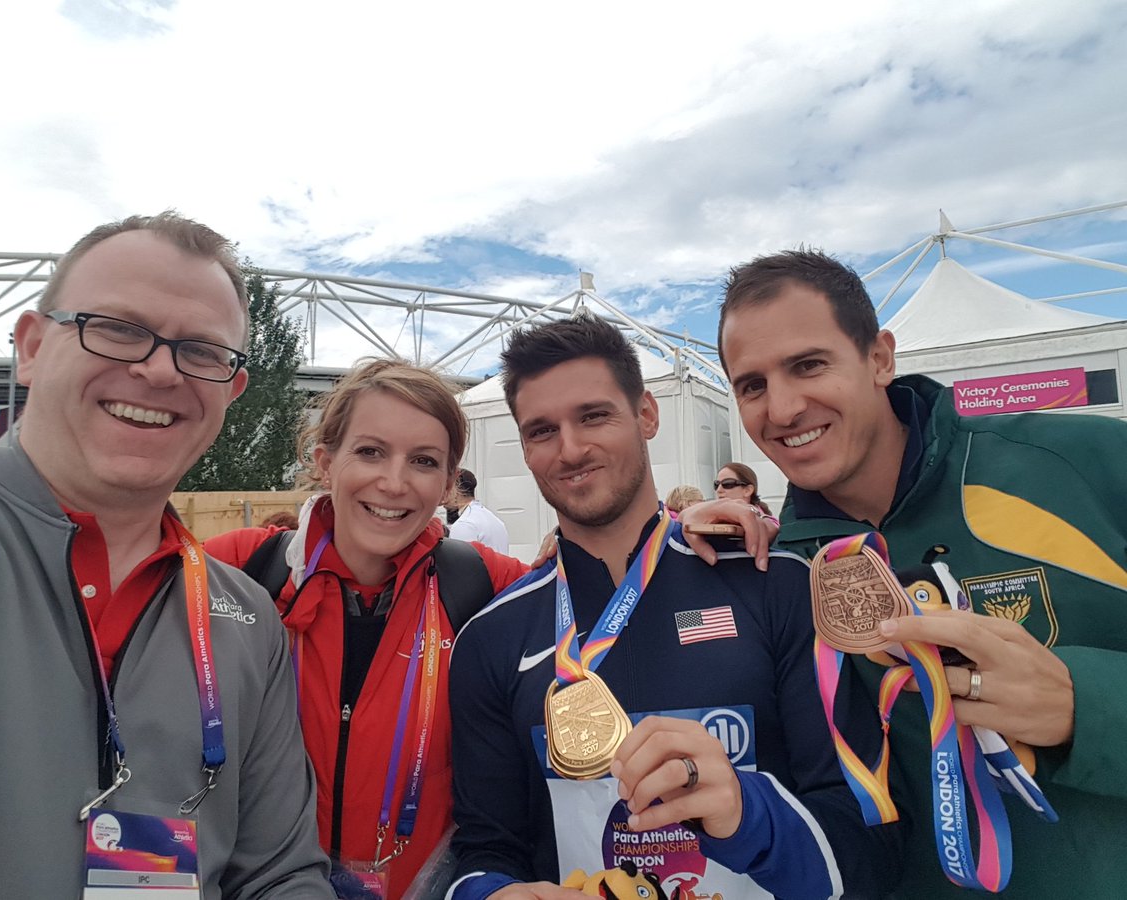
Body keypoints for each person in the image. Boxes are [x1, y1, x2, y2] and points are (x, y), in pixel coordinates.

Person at [0, 358, 537, 899]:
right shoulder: (236, 570)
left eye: (423, 461)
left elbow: (584, 609)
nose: (394, 482)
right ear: (325, 462)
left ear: (448, 482)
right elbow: (84, 574)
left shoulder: (482, 583)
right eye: (370, 452)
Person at [0, 213, 331, 897]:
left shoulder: (246, 616)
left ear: (230, 390)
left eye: (201, 350)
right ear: (31, 347)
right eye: (117, 328)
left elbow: (279, 875)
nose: (159, 369)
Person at [706, 248, 1127, 898]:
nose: (782, 408)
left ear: (880, 358)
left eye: (808, 365)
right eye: (752, 385)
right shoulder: (778, 569)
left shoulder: (1084, 464)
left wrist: (1086, 707)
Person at [447, 315, 903, 900]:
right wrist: (488, 893)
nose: (571, 449)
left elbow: (875, 841)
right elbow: (486, 847)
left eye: (594, 416)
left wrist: (750, 817)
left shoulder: (775, 584)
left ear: (647, 414)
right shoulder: (492, 636)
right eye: (542, 431)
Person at [447, 467, 511, 553]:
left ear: (457, 489)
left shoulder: (464, 524)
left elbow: (461, 561)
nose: (444, 494)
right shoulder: (495, 520)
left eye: (447, 488)